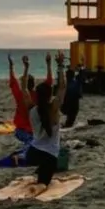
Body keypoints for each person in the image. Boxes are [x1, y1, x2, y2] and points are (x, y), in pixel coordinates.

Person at [26, 51, 68, 192]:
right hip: (49, 156)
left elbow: (24, 89)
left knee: (42, 174)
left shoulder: (31, 109)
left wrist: (26, 68)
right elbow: (62, 87)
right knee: (43, 185)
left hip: (32, 153)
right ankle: (37, 187)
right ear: (50, 95)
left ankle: (39, 175)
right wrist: (60, 65)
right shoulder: (53, 109)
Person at [8, 53, 53, 149]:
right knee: (34, 141)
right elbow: (49, 82)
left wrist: (11, 66)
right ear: (33, 84)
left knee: (30, 142)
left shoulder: (20, 94)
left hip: (23, 131)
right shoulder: (39, 95)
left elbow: (13, 81)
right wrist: (49, 64)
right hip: (35, 130)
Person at [61, 55, 86, 128]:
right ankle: (68, 124)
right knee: (71, 119)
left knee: (69, 117)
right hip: (74, 105)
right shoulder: (77, 82)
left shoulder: (64, 84)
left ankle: (67, 124)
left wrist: (61, 64)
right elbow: (82, 73)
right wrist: (83, 63)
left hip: (65, 105)